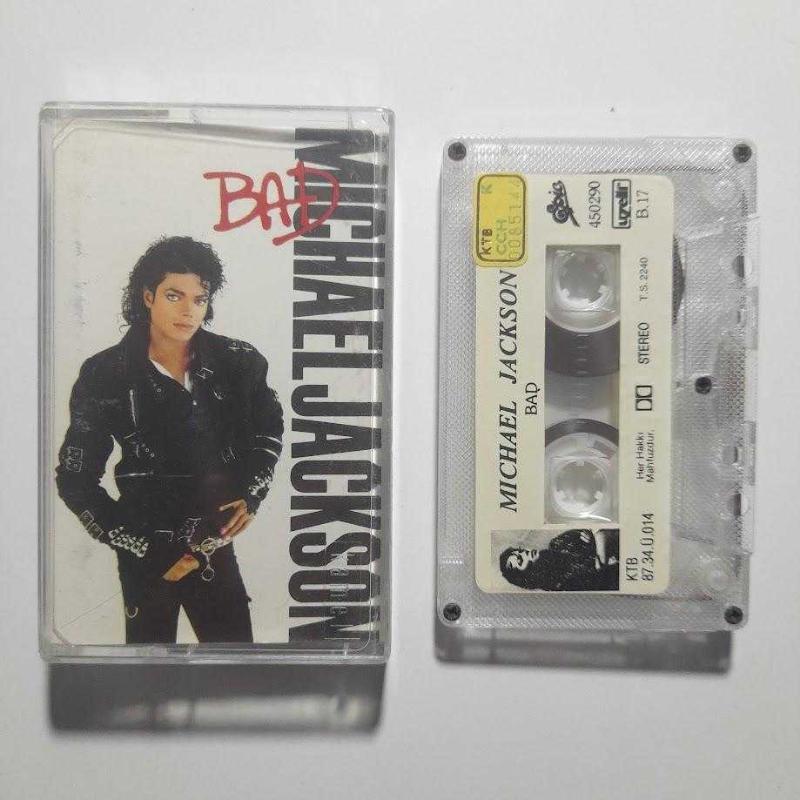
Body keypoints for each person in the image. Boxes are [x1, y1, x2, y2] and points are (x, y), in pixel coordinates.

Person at [56, 236, 283, 644]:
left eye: (199, 299)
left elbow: (269, 425)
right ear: (148, 296)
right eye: (174, 295)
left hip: (212, 541)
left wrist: (253, 491)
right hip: (145, 547)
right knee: (148, 673)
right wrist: (144, 548)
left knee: (235, 666)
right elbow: (75, 479)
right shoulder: (105, 373)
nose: (188, 310)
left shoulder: (238, 361)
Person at [499, 529, 619, 591]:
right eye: (520, 560)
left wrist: (601, 556)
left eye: (520, 551)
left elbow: (600, 532)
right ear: (526, 578)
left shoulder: (559, 542)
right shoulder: (564, 589)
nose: (524, 553)